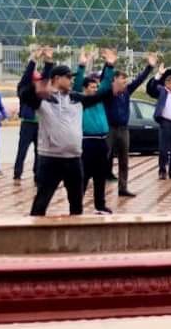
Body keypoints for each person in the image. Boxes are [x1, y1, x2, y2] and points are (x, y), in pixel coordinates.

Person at [21, 49, 119, 217]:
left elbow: (101, 95)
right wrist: (42, 64)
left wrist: (109, 66)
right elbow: (23, 91)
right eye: (68, 77)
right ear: (56, 79)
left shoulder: (77, 99)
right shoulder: (43, 100)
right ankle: (34, 231)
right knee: (41, 202)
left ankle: (75, 232)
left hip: (74, 160)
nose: (71, 80)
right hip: (50, 159)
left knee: (76, 204)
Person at [104, 55, 153, 198]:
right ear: (114, 80)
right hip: (110, 128)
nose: (125, 82)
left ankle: (123, 187)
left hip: (124, 129)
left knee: (124, 160)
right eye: (122, 80)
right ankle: (99, 186)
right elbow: (103, 80)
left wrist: (149, 67)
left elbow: (139, 80)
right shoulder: (108, 93)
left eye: (125, 80)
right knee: (104, 157)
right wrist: (108, 64)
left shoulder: (126, 92)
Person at [75, 48, 115, 215]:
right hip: (87, 142)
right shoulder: (81, 101)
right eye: (92, 87)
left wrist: (109, 65)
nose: (95, 89)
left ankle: (100, 205)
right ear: (85, 89)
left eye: (96, 87)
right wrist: (81, 66)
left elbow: (106, 84)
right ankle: (76, 205)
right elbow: (77, 84)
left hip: (102, 142)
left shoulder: (99, 99)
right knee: (83, 176)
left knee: (100, 176)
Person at [13, 47, 44, 183]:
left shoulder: (42, 92)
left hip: (40, 124)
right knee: (22, 150)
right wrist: (33, 60)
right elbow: (26, 77)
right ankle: (17, 174)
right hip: (27, 123)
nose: (37, 82)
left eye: (38, 80)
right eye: (35, 80)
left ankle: (37, 175)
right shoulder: (24, 91)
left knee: (39, 152)